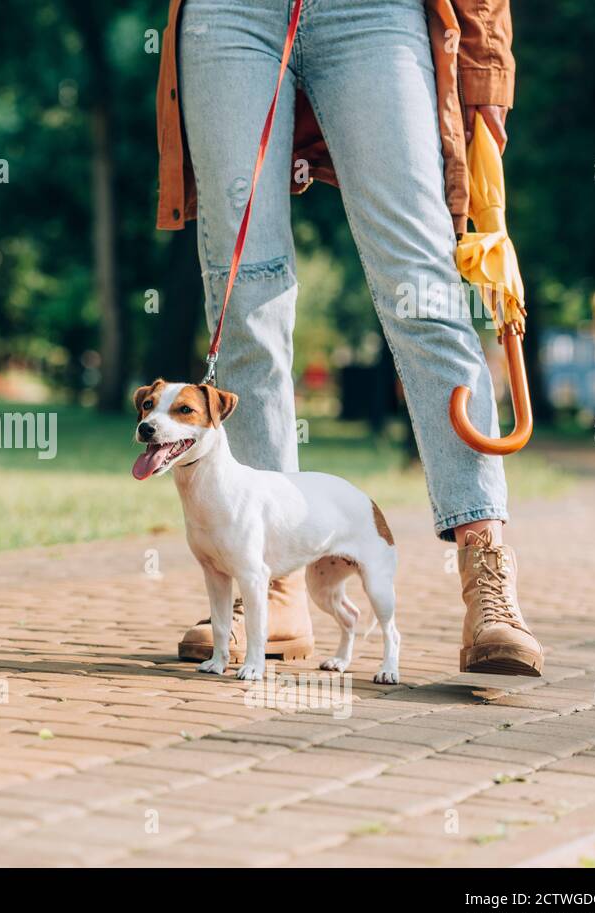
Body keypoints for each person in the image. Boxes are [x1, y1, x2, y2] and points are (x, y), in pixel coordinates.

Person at [155, 0, 541, 676]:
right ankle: (269, 585)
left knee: (422, 284)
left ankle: (486, 569)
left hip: (374, 12)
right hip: (231, 15)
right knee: (246, 293)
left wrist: (486, 73)